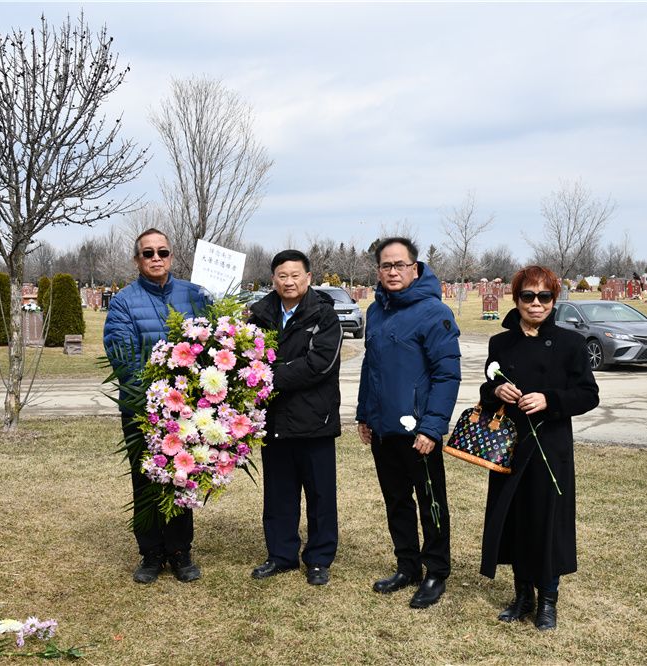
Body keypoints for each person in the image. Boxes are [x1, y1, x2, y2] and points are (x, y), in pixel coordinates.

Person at [478, 265, 600, 630]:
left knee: (546, 523)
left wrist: (549, 399)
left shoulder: (570, 344)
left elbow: (588, 395)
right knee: (515, 520)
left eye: (544, 296)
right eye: (528, 296)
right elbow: (486, 390)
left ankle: (548, 599)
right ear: (516, 299)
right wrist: (496, 391)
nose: (536, 303)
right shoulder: (500, 344)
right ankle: (521, 596)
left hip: (550, 448)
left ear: (553, 300)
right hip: (511, 446)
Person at [356, 237, 461, 609]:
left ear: (415, 269)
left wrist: (432, 427)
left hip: (420, 432)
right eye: (386, 266)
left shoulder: (435, 313)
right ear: (378, 271)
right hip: (384, 428)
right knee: (396, 500)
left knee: (431, 501)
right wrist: (364, 414)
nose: (393, 272)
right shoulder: (377, 310)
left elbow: (447, 374)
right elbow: (371, 366)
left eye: (400, 265)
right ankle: (407, 565)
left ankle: (436, 570)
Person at [103, 228, 210, 585]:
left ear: (172, 256)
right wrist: (157, 401)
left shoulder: (194, 296)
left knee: (181, 476)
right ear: (137, 260)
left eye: (162, 252)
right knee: (147, 479)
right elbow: (123, 357)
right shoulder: (123, 302)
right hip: (142, 409)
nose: (155, 259)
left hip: (187, 412)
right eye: (147, 253)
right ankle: (150, 553)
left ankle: (180, 551)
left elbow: (210, 346)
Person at [247, 250, 342, 586]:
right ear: (273, 279)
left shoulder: (324, 315)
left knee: (320, 495)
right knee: (279, 493)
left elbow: (319, 364)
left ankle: (318, 559)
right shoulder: (258, 316)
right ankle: (281, 555)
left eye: (295, 275)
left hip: (315, 420)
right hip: (274, 420)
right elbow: (246, 359)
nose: (289, 281)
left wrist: (269, 374)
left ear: (308, 278)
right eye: (282, 276)